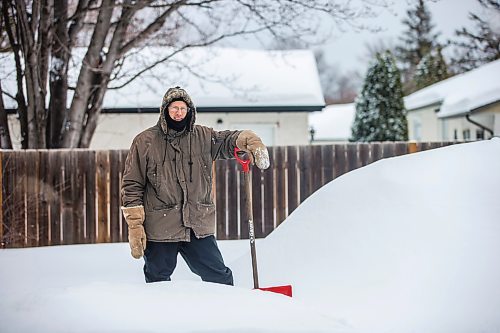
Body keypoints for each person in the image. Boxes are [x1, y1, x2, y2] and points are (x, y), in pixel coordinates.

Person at [120, 86, 270, 285]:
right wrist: (135, 226)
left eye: (183, 108)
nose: (179, 112)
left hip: (197, 225)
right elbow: (132, 185)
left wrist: (247, 139)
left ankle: (228, 312)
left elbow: (227, 141)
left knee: (219, 277)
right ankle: (159, 314)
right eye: (174, 108)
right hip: (161, 228)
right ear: (165, 110)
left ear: (190, 110)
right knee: (157, 280)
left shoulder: (203, 137)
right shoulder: (145, 142)